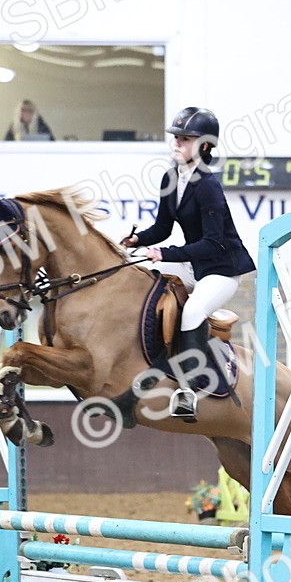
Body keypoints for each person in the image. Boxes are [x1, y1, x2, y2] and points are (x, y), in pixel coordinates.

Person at [121, 106, 256, 422]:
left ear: (205, 146)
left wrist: (165, 254)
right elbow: (163, 228)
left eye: (185, 139)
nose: (177, 144)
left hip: (221, 268)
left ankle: (188, 390)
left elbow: (213, 243)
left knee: (194, 310)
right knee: (142, 275)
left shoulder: (208, 185)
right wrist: (137, 241)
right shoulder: (171, 178)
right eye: (176, 138)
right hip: (193, 264)